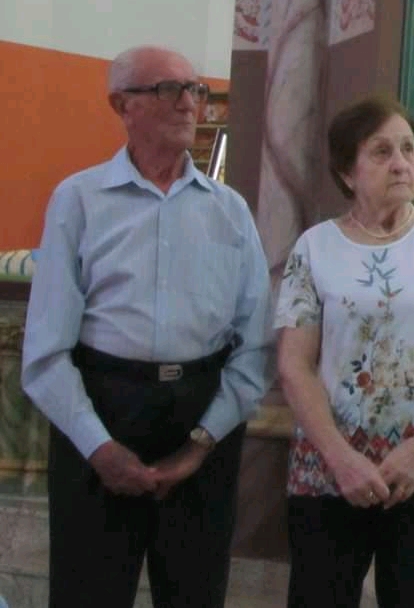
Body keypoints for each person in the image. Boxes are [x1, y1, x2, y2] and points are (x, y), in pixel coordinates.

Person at [21, 45, 274, 608]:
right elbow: (45, 351)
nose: (189, 103)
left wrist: (201, 444)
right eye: (167, 89)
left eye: (196, 89)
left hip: (201, 419)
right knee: (87, 593)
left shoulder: (229, 211)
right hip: (102, 411)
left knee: (195, 593)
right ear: (122, 105)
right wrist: (98, 447)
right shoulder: (79, 200)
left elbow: (255, 343)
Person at [276, 94, 414, 608]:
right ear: (347, 172)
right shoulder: (315, 248)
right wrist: (341, 459)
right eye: (381, 152)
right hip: (330, 470)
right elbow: (294, 364)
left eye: (408, 149)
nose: (401, 163)